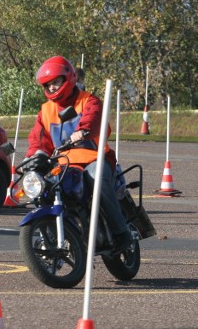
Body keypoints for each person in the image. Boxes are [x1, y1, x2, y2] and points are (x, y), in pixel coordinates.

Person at [26, 56, 133, 251]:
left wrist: (83, 130)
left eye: (55, 82)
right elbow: (39, 140)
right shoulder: (45, 111)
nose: (51, 87)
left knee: (96, 179)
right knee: (43, 187)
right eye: (48, 84)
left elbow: (93, 118)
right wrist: (33, 157)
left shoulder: (88, 100)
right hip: (65, 165)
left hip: (95, 158)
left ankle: (121, 232)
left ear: (68, 78)